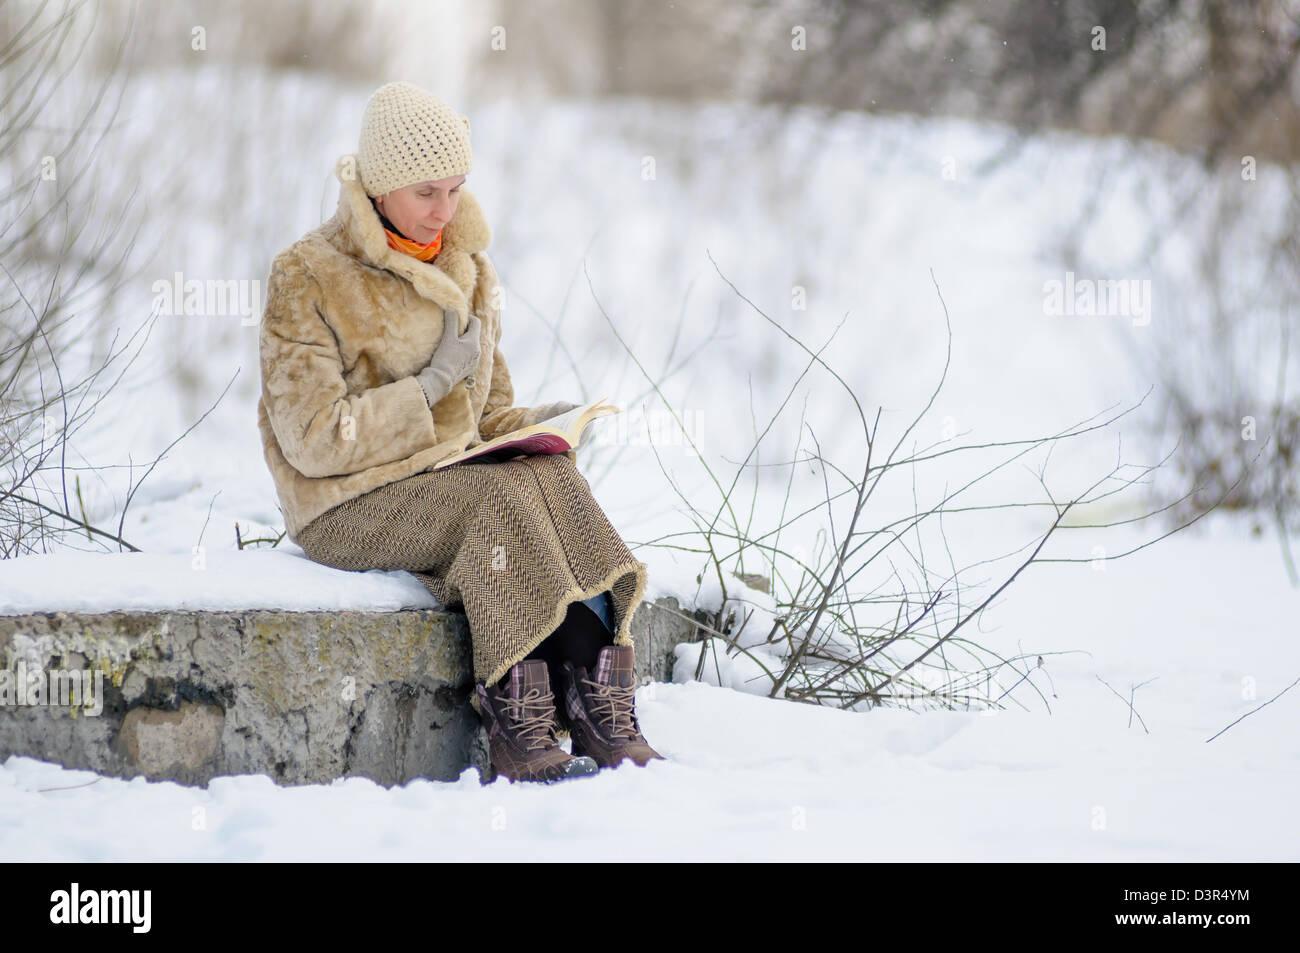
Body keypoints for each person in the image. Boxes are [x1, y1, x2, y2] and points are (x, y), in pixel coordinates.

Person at [256, 81, 664, 783]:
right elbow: (312, 436)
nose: (444, 209)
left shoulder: (466, 268)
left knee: (549, 477)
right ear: (380, 187)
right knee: (494, 502)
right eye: (425, 192)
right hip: (344, 504)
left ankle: (596, 698)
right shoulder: (309, 274)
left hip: (445, 483)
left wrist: (549, 423)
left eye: (455, 188)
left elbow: (487, 416)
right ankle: (517, 710)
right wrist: (425, 390)